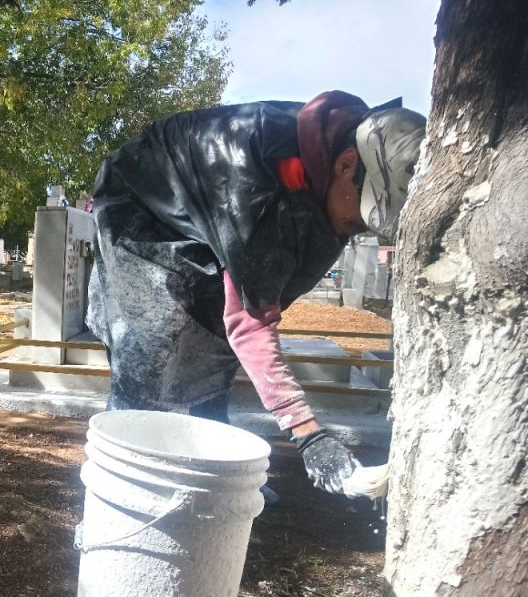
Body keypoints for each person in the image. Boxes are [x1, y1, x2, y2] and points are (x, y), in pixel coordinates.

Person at [85, 91, 426, 495]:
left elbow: (254, 307)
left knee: (216, 337)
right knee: (159, 342)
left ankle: (216, 469)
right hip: (143, 207)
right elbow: (251, 322)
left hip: (216, 211)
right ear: (346, 163)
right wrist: (307, 432)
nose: (358, 227)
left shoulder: (343, 161)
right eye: (359, 216)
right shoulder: (253, 183)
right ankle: (123, 486)